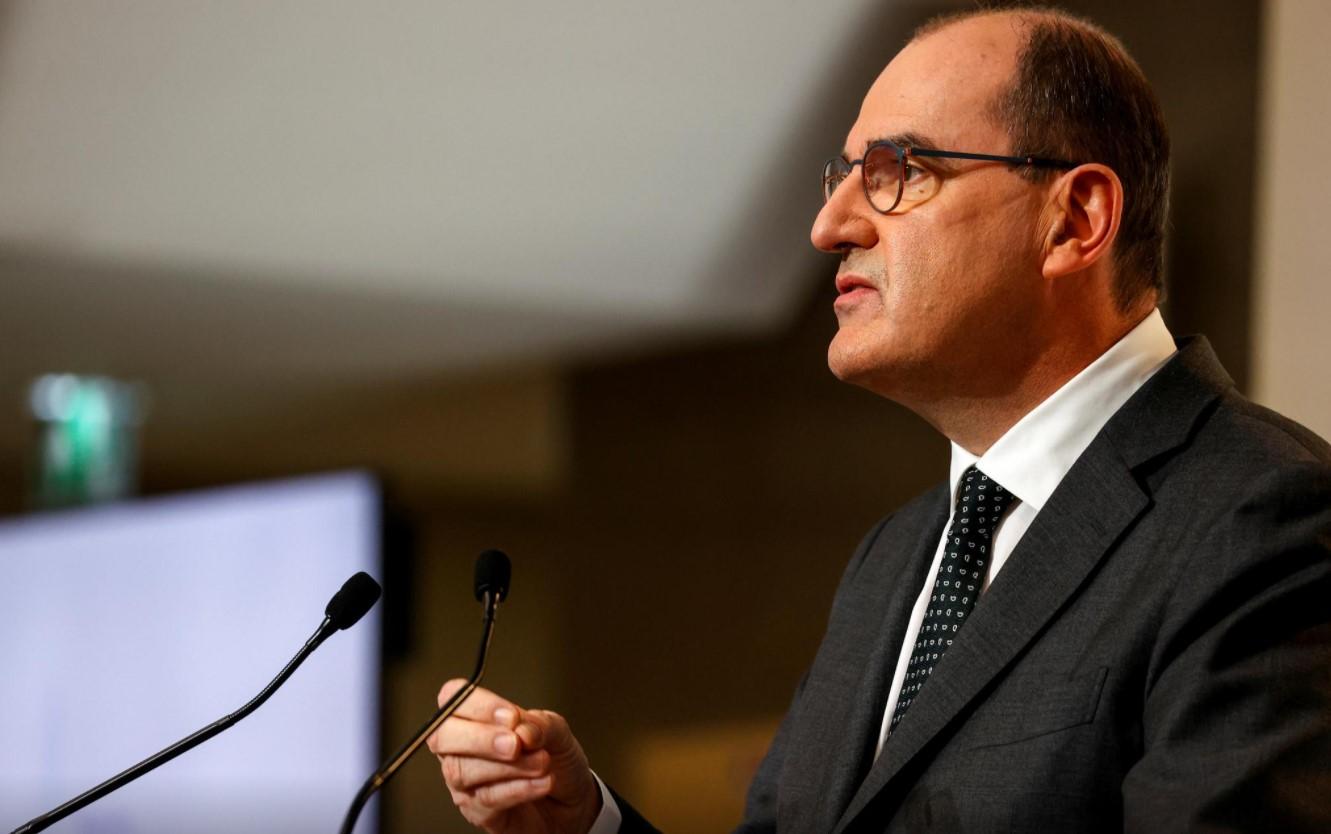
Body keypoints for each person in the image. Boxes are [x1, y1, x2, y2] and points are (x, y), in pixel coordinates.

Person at [427, 7, 1331, 833]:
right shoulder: (894, 558)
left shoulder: (1266, 519)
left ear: (1074, 220)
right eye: (843, 175)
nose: (829, 223)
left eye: (897, 171)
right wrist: (585, 822)